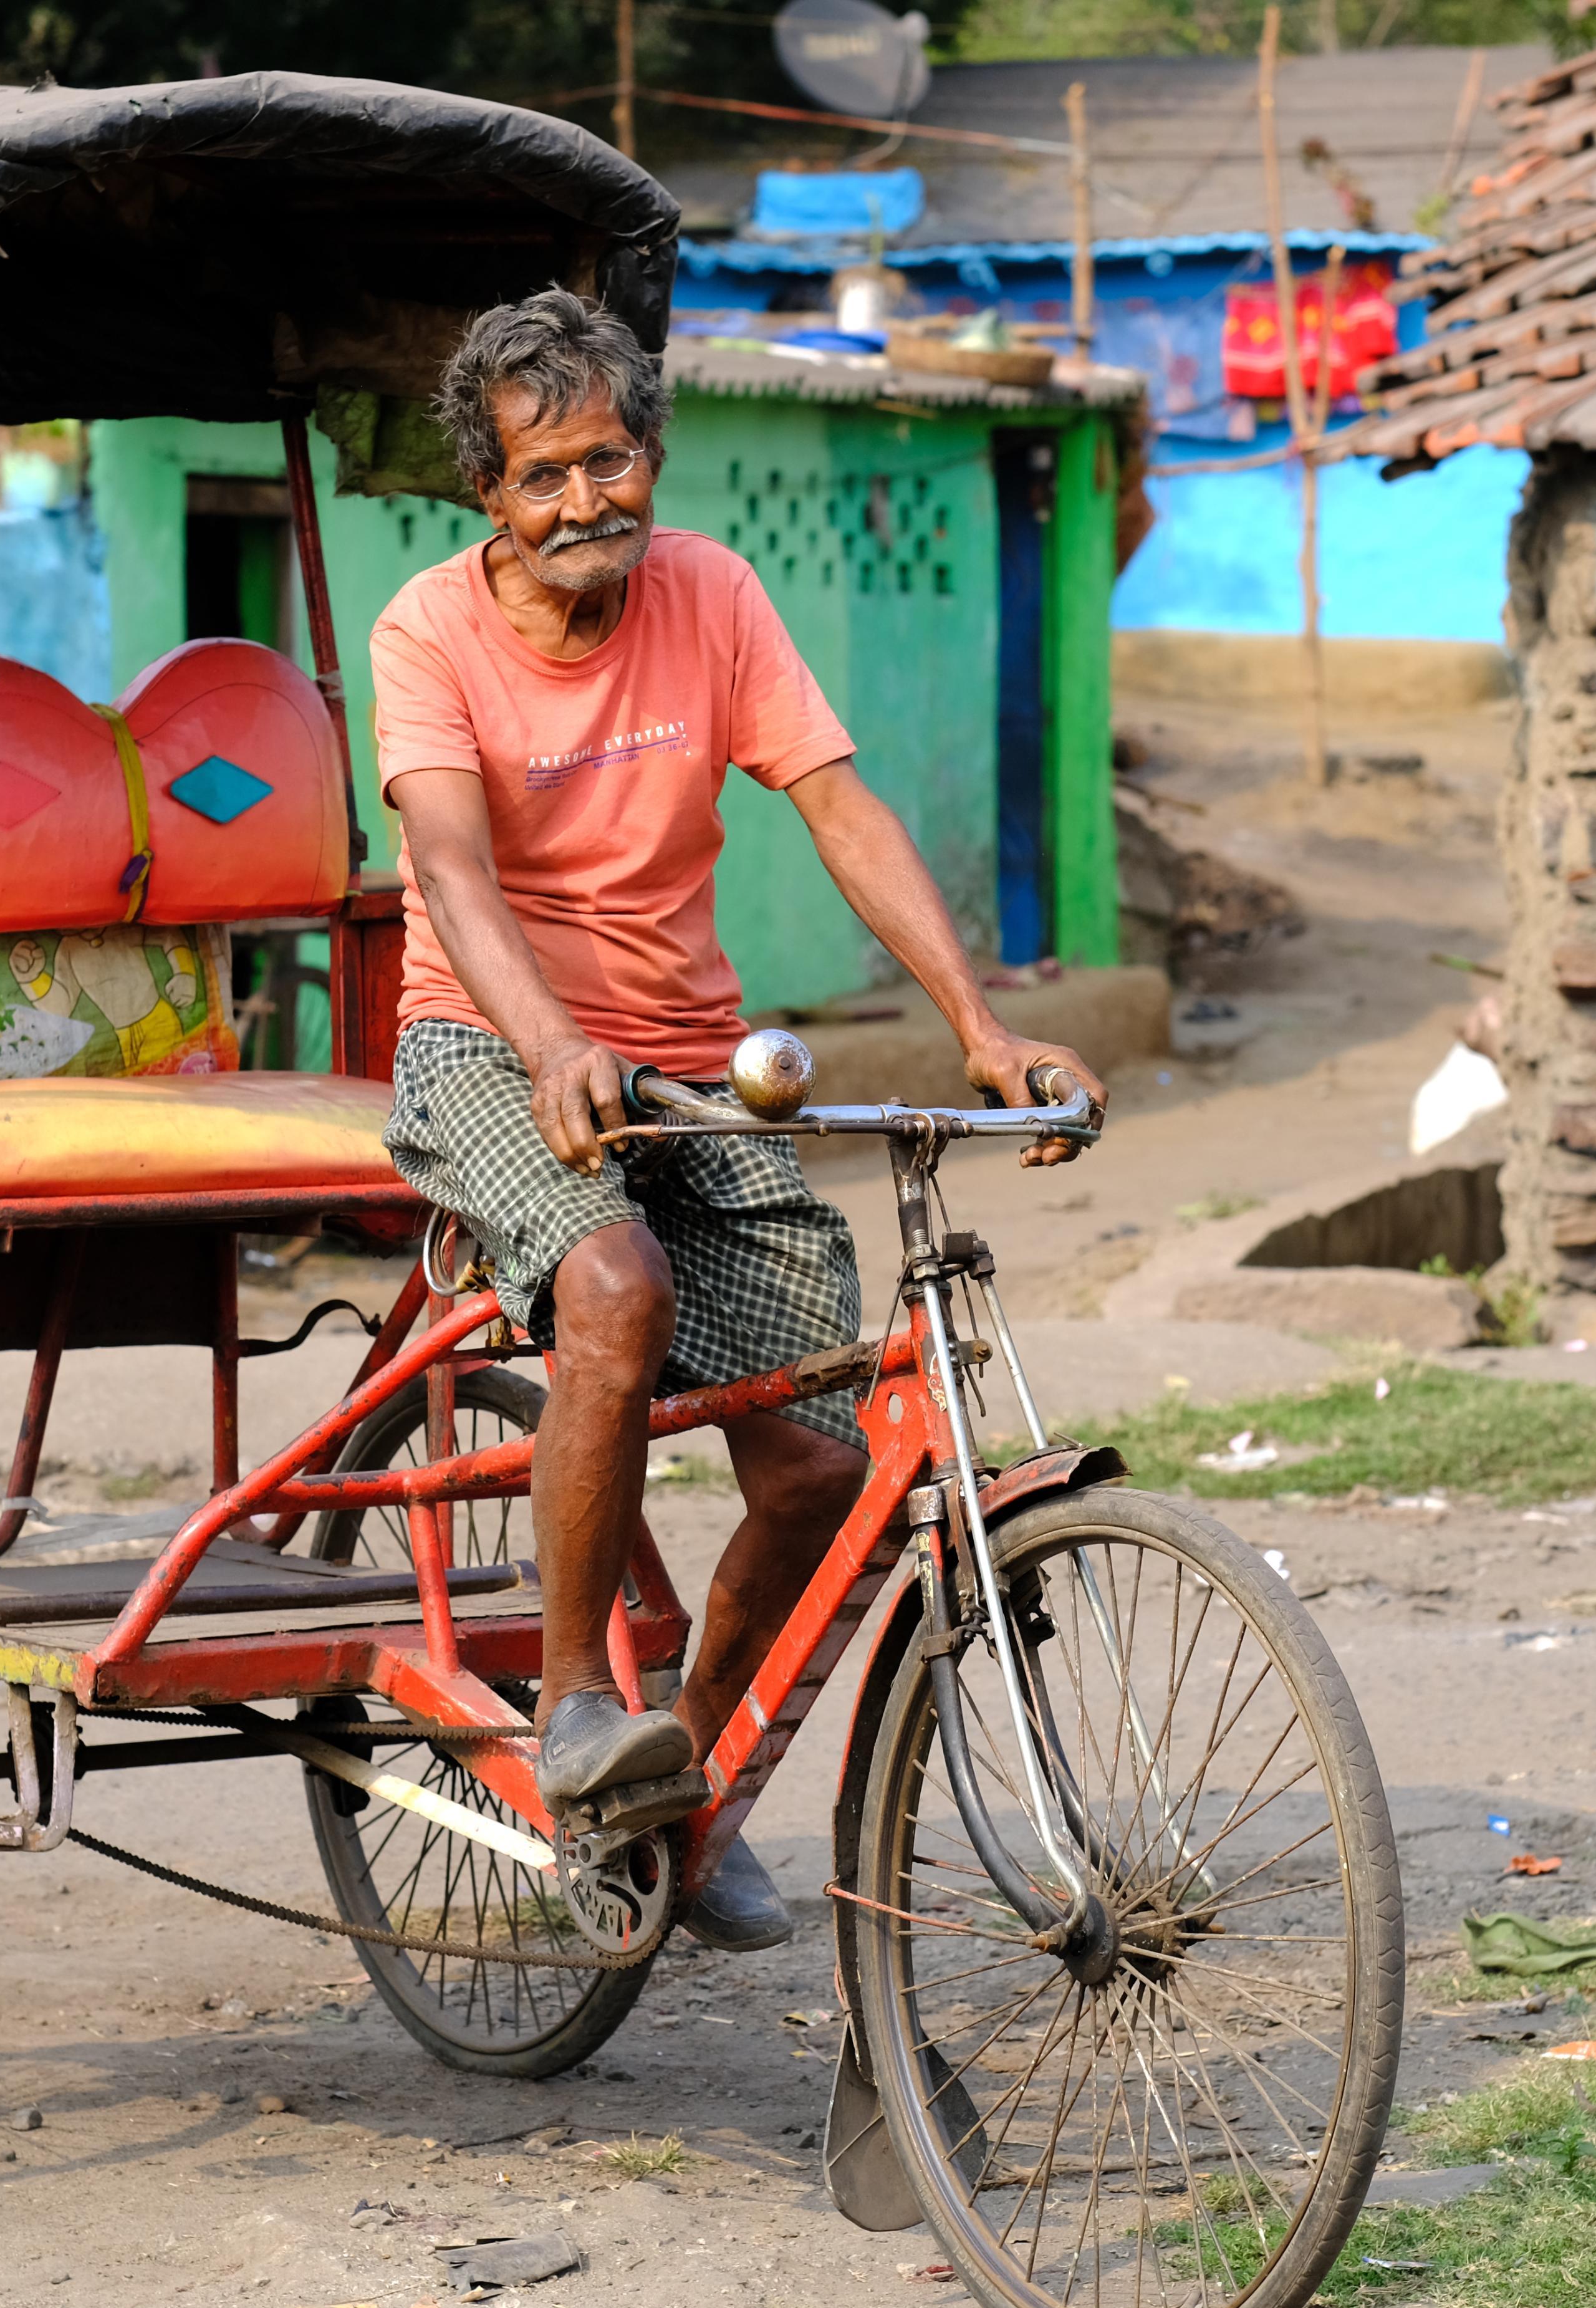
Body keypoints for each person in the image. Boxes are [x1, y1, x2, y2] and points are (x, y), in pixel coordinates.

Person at [372, 289, 1105, 1950]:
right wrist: (554, 1042)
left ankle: (676, 1781)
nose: (586, 507)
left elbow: (838, 806)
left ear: (653, 458)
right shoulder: (429, 632)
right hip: (487, 1050)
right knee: (615, 1292)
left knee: (824, 1465)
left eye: (611, 462)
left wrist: (982, 1029)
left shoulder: (713, 594)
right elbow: (451, 874)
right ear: (488, 494)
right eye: (545, 475)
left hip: (694, 1064)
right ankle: (572, 1707)